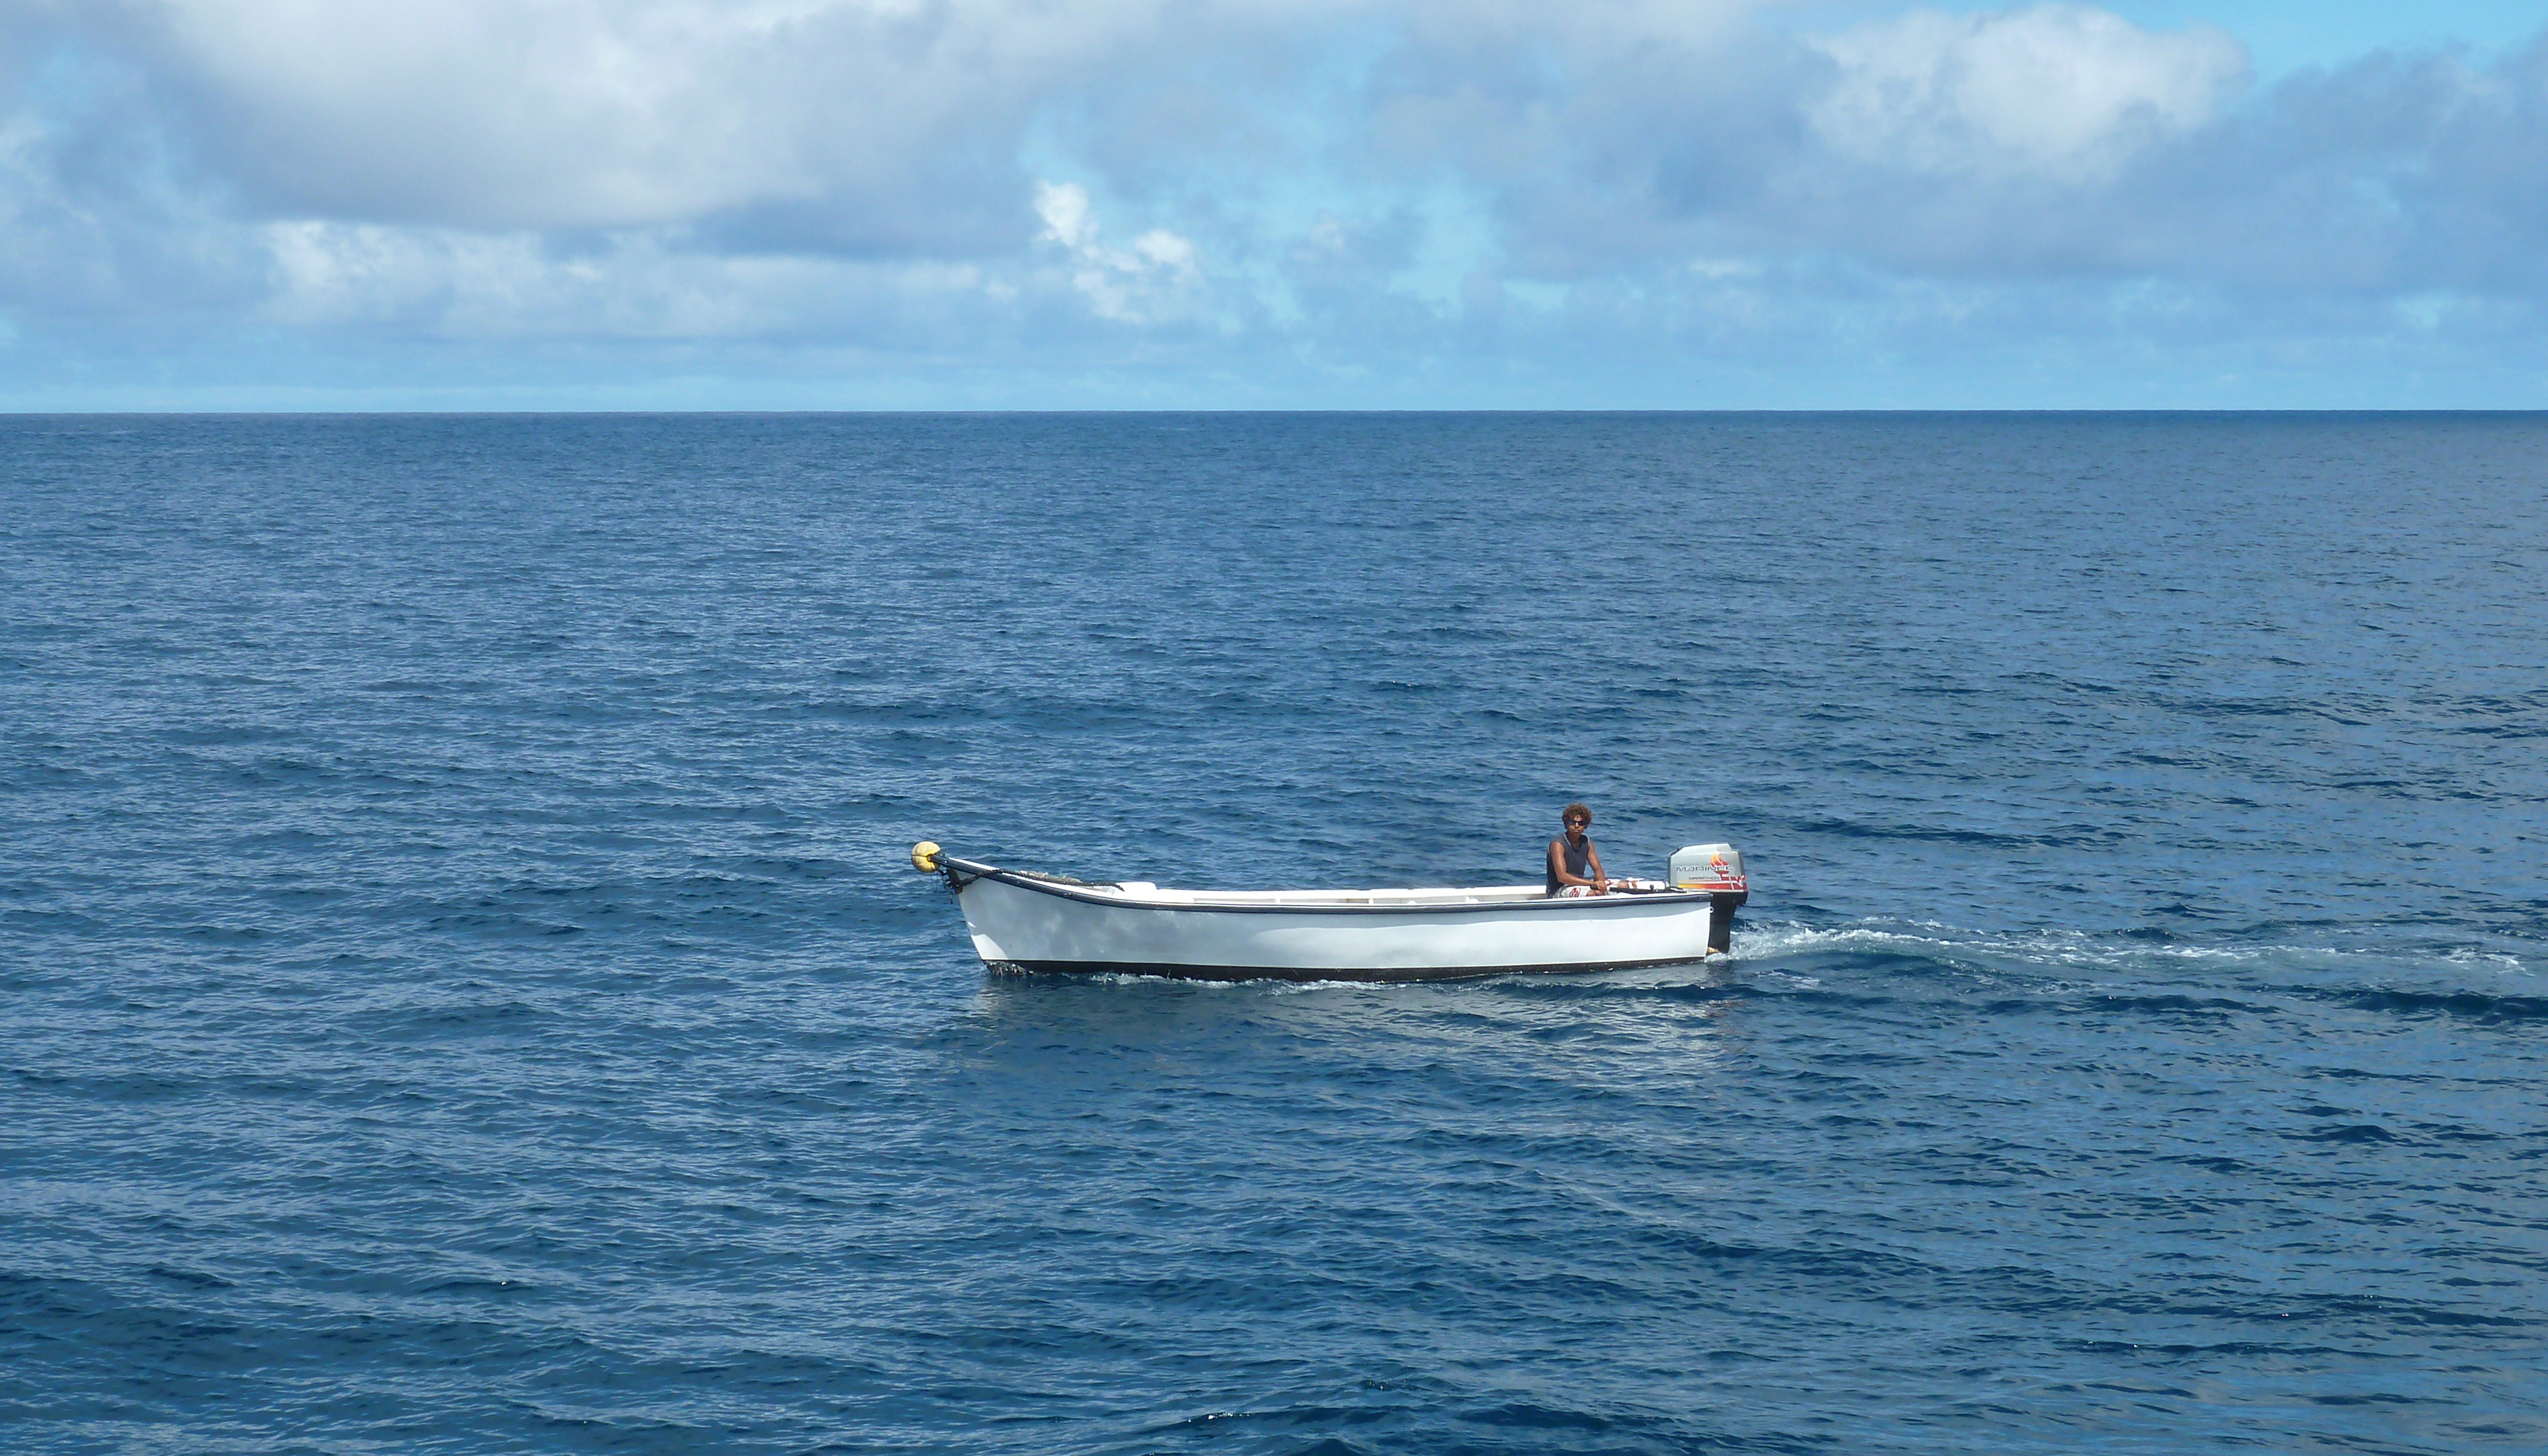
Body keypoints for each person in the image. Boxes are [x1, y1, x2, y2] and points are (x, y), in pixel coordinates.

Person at [1545, 803, 1608, 897]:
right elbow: (1562, 877)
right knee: (1591, 894)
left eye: (1581, 823)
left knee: (1623, 885)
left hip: (1580, 885)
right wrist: (1591, 884)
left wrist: (1600, 883)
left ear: (1585, 826)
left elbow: (1598, 870)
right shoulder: (1558, 844)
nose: (1576, 826)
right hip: (1559, 890)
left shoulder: (1587, 843)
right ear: (1566, 824)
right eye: (1572, 822)